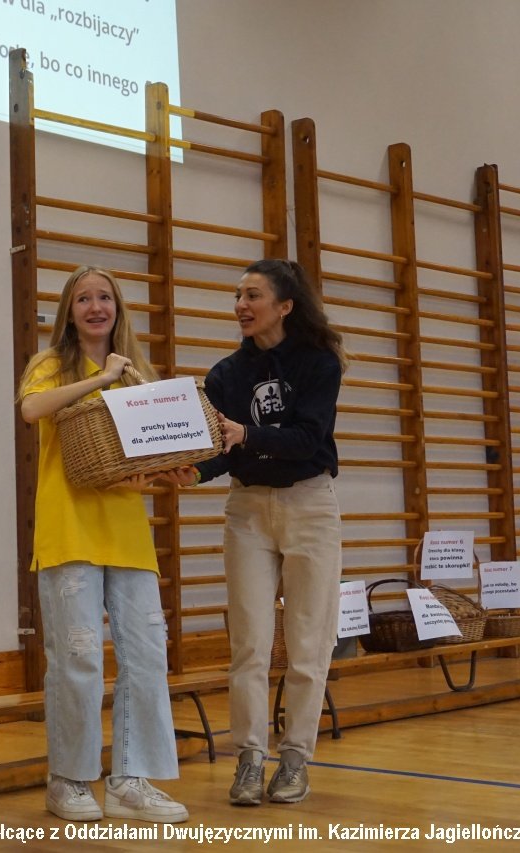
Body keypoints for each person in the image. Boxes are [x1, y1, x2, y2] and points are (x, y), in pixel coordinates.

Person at [17, 265, 192, 825]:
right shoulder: (50, 365)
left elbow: (144, 452)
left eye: (105, 298)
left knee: (147, 655)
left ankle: (130, 781)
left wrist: (169, 469)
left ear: (118, 308)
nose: (96, 307)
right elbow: (31, 410)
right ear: (69, 312)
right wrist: (101, 379)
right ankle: (68, 779)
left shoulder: (138, 374)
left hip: (127, 535)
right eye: (84, 299)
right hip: (69, 531)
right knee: (79, 658)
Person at [192, 258, 346, 807]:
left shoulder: (319, 363)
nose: (241, 305)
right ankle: (250, 758)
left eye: (253, 295)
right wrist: (191, 471)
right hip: (248, 509)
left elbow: (307, 439)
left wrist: (247, 433)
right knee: (250, 643)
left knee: (308, 642)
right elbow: (221, 450)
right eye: (238, 295)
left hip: (310, 504)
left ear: (285, 305)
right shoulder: (225, 375)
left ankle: (296, 757)